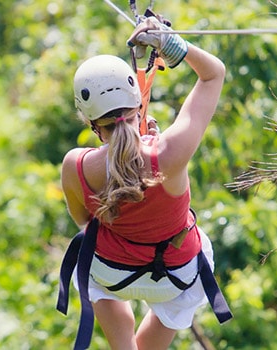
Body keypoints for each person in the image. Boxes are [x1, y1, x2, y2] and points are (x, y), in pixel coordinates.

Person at [60, 17, 226, 349]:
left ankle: (122, 340)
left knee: (87, 252)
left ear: (92, 123)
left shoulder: (74, 165)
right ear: (139, 102)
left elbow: (84, 221)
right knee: (199, 251)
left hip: (111, 272)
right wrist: (171, 43)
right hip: (177, 275)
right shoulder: (170, 153)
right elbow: (213, 74)